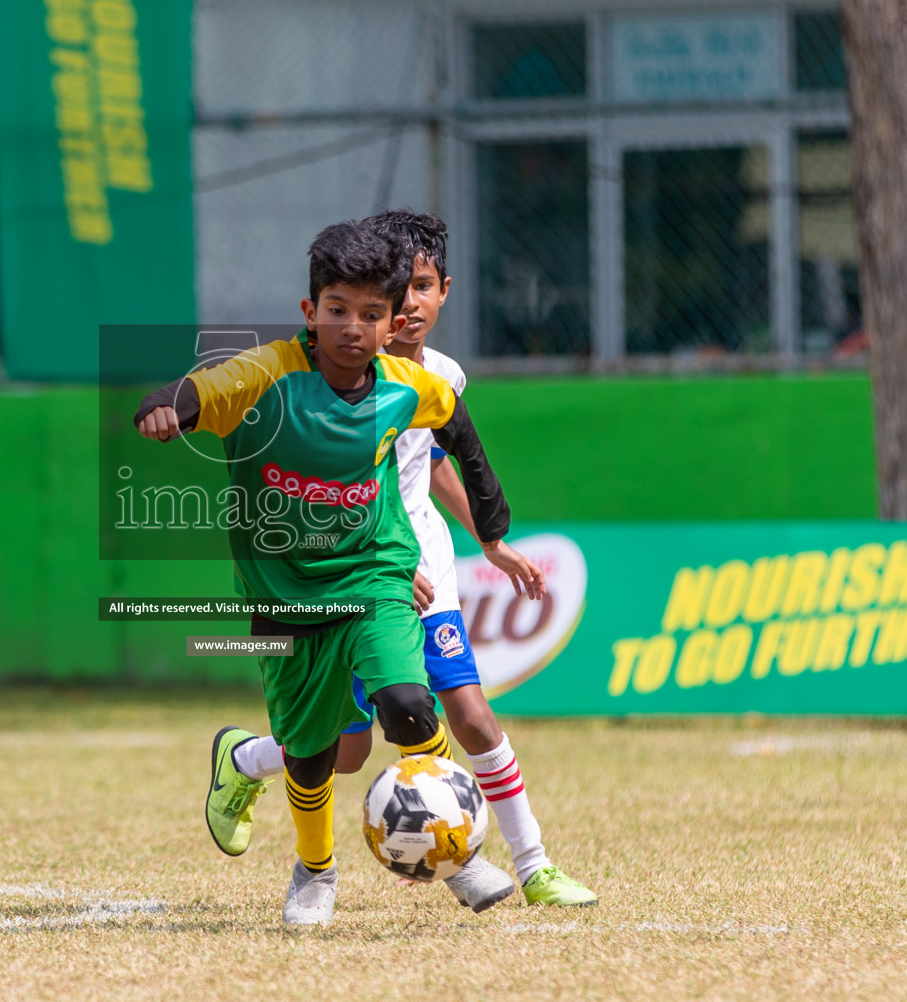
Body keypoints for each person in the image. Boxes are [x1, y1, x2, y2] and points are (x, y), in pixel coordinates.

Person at [134, 220, 536, 926]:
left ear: (392, 323)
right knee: (315, 755)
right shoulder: (265, 376)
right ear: (309, 312)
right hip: (281, 594)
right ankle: (314, 870)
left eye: (371, 314)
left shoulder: (410, 386)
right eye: (337, 310)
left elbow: (460, 434)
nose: (353, 327)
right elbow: (187, 393)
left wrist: (494, 531)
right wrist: (165, 410)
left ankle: (462, 852)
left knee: (411, 704)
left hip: (375, 578)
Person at [205, 210, 597, 909]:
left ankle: (529, 864)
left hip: (418, 574)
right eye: (399, 291)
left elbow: (435, 460)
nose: (410, 305)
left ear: (442, 292)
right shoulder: (323, 373)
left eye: (421, 288)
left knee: (464, 715)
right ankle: (245, 761)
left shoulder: (441, 377)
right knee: (343, 751)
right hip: (359, 571)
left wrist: (488, 540)